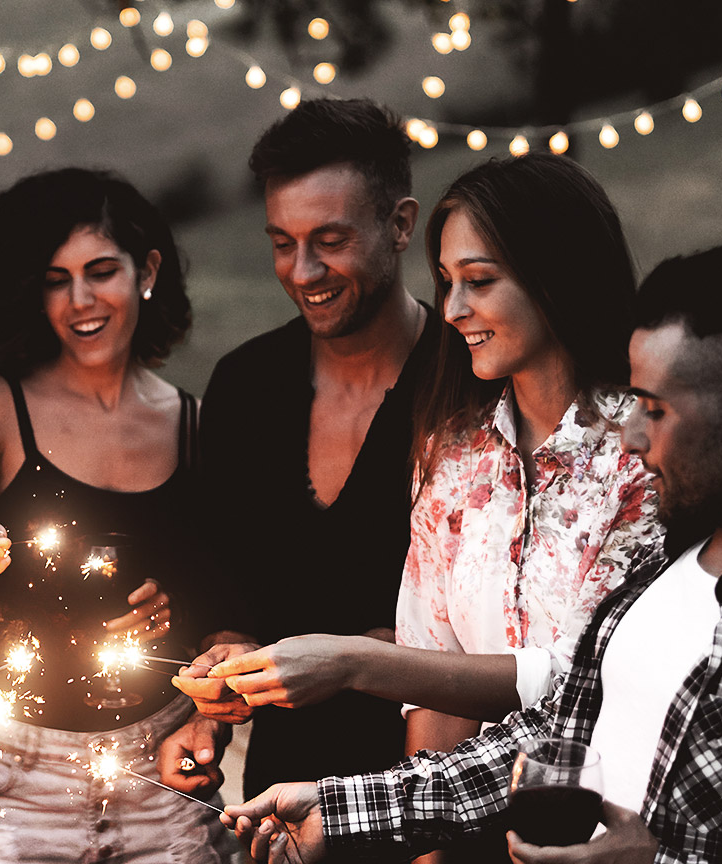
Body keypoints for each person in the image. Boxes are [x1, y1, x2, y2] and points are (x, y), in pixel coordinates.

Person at [222, 245, 722, 864]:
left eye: (655, 410)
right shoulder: (659, 574)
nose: (629, 436)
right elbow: (543, 741)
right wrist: (339, 811)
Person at [200, 156, 659, 857]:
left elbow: (581, 682)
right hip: (459, 824)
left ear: (556, 276)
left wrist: (354, 661)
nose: (452, 311)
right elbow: (432, 674)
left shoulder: (644, 455)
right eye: (446, 283)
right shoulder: (453, 454)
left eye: (478, 283)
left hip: (606, 832)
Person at [0, 168, 235, 863]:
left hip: (161, 781)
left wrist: (173, 617)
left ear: (146, 271)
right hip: (11, 781)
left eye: (100, 272)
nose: (80, 301)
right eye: (56, 279)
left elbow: (224, 611)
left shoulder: (193, 425)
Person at [172, 97, 440, 798]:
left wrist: (357, 658)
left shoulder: (467, 381)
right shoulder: (244, 384)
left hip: (440, 792)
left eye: (329, 239)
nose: (302, 271)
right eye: (281, 242)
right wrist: (224, 654)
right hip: (282, 797)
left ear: (401, 223)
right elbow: (224, 584)